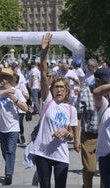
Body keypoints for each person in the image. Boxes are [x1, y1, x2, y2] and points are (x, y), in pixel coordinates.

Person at [30, 33, 80, 188]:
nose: (59, 90)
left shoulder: (71, 110)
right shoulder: (47, 102)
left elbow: (71, 135)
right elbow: (44, 76)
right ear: (52, 90)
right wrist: (43, 53)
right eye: (56, 87)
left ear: (66, 91)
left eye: (62, 87)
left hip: (61, 155)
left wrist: (66, 133)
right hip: (42, 152)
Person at [0, 68, 28, 185]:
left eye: (6, 77)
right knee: (4, 152)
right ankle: (9, 165)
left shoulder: (17, 92)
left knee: (10, 151)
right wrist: (5, 92)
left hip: (13, 127)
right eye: (2, 77)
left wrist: (15, 99)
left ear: (11, 79)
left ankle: (8, 174)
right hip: (0, 127)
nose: (3, 79)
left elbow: (25, 108)